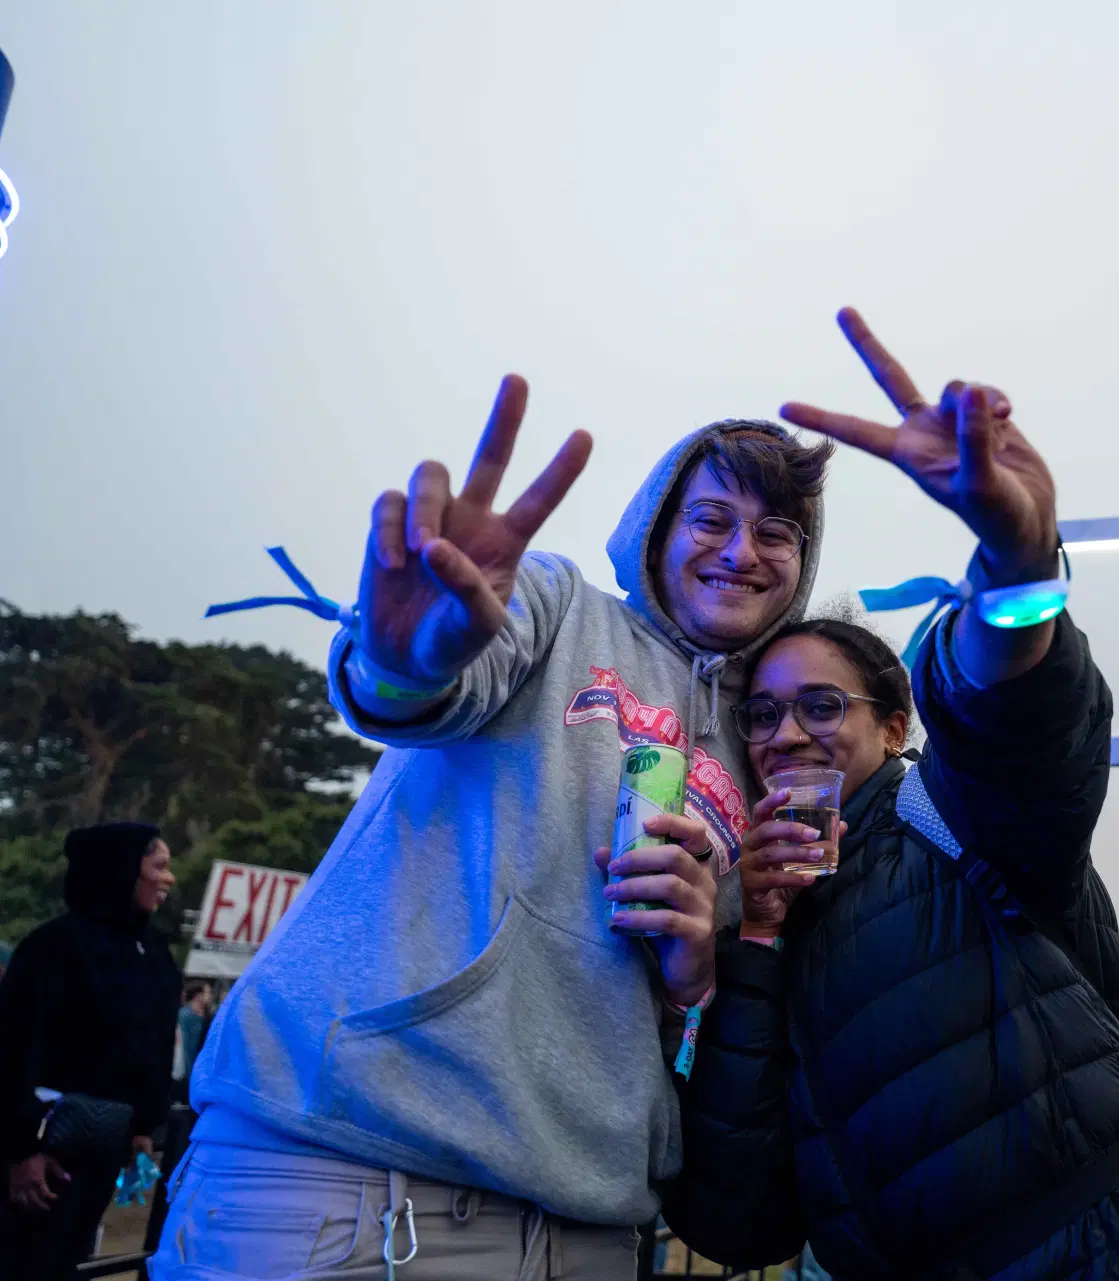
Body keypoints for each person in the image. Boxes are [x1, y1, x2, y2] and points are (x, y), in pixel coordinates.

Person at [154, 378, 832, 1279]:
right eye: (711, 519)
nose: (742, 551)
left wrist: (696, 970)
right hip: (344, 1168)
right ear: (657, 530)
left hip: (589, 1223)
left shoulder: (769, 745)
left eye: (777, 532)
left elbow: (694, 1022)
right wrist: (404, 661)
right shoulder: (557, 603)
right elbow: (434, 689)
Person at [637, 310, 1119, 1278]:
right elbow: (739, 1221)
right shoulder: (752, 912)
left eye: (821, 705)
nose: (784, 733)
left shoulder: (953, 819)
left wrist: (1017, 569)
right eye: (760, 714)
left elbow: (1016, 722)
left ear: (893, 726)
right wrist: (755, 944)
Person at [0, 822, 180, 1281]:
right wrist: (20, 1151)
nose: (169, 878)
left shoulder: (154, 950)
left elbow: (154, 1044)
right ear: (122, 870)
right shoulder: (53, 946)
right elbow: (14, 1049)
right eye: (158, 865)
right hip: (44, 1152)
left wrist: (144, 1126)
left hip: (105, 1147)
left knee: (69, 1262)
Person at [170, 982, 210, 1105]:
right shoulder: (185, 1015)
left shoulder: (207, 1015)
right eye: (207, 993)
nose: (210, 996)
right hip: (188, 1068)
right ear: (198, 995)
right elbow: (185, 1046)